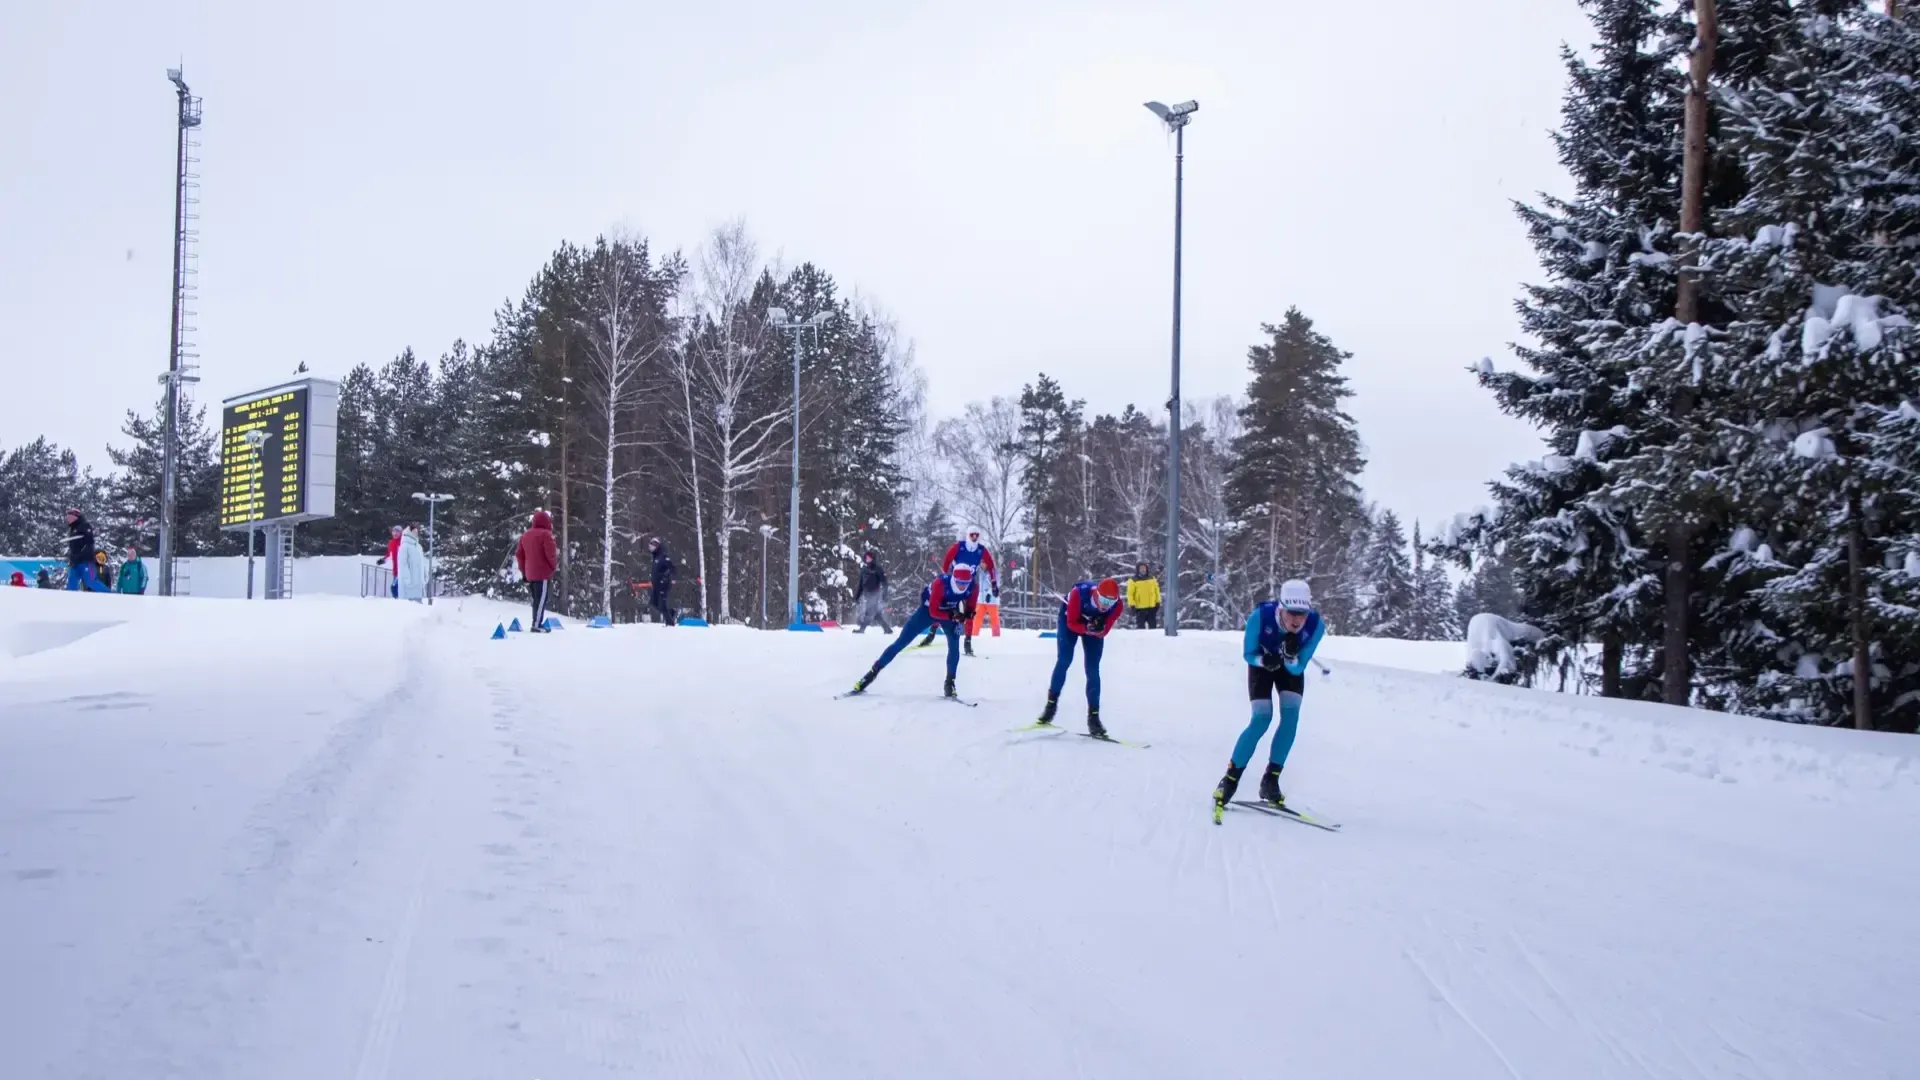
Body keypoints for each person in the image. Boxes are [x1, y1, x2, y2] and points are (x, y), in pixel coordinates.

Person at [1211, 579, 1327, 817]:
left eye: (1302, 614)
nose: (1297, 620)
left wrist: (1290, 657)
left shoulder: (1315, 626)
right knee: (1262, 718)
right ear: (1280, 608)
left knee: (1290, 719)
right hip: (1261, 665)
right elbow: (1248, 654)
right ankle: (1230, 781)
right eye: (1291, 613)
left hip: (1290, 669)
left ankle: (1270, 780)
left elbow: (1299, 667)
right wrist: (1264, 660)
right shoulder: (1260, 617)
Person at [850, 564, 977, 699]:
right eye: (959, 583)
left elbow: (970, 608)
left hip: (949, 613)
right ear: (953, 578)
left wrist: (967, 615)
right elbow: (933, 611)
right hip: (927, 611)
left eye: (966, 583)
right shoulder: (941, 583)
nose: (963, 586)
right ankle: (870, 674)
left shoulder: (973, 586)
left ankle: (950, 683)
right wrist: (953, 616)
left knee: (954, 646)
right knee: (901, 643)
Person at [1034, 577, 1126, 737]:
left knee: (1092, 669)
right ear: (1096, 594)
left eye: (1110, 603)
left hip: (1090, 626)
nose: (1105, 606)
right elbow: (1071, 623)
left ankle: (1094, 717)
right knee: (1064, 660)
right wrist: (1088, 628)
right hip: (1071, 619)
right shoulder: (1079, 594)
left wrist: (1099, 628)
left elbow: (1104, 631)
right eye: (1103, 600)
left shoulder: (1116, 607)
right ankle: (1051, 706)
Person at [919, 526, 999, 654]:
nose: (974, 538)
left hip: (969, 584)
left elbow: (991, 566)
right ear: (968, 535)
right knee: (942, 606)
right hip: (954, 583)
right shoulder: (959, 546)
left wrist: (994, 583)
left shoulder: (981, 550)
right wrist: (945, 577)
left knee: (970, 612)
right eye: (972, 535)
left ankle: (967, 642)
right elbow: (947, 559)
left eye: (977, 535)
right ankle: (932, 633)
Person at [515, 510, 558, 632]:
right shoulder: (546, 535)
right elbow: (551, 555)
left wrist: (523, 570)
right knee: (541, 600)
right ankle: (537, 625)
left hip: (530, 574)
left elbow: (519, 554)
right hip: (542, 573)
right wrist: (552, 567)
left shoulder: (525, 535)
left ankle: (536, 622)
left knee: (536, 600)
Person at [63, 510, 109, 592]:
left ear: (75, 517)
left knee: (91, 581)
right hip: (75, 562)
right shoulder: (72, 529)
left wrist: (81, 554)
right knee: (71, 584)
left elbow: (89, 543)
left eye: (69, 517)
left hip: (86, 561)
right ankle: (70, 601)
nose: (68, 519)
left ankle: (111, 595)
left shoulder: (85, 526)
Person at [853, 550, 889, 634]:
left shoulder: (877, 569)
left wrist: (885, 594)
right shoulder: (864, 570)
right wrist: (857, 596)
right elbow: (861, 584)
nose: (868, 559)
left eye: (869, 558)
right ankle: (887, 629)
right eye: (866, 558)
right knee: (876, 614)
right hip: (867, 594)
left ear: (873, 558)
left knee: (869, 612)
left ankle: (862, 629)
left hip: (875, 594)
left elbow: (884, 582)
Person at [648, 538, 677, 625]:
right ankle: (671, 613)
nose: (650, 547)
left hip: (663, 584)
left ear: (657, 546)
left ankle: (670, 623)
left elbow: (672, 569)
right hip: (656, 585)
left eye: (652, 546)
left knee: (662, 605)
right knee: (653, 603)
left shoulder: (663, 556)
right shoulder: (655, 557)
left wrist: (665, 576)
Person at [396, 524, 428, 602]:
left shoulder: (418, 547)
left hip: (418, 584)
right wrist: (407, 579)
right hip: (408, 585)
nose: (416, 533)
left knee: (419, 608)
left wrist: (425, 574)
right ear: (409, 532)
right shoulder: (404, 547)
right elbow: (403, 564)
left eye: (416, 531)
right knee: (409, 609)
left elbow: (422, 563)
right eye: (414, 531)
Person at [1127, 562, 1162, 630]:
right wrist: (1132, 604)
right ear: (1138, 569)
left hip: (1151, 607)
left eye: (1144, 568)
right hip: (1140, 608)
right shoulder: (1133, 580)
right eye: (1141, 568)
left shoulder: (1152, 578)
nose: (1143, 569)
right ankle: (1141, 640)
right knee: (1140, 629)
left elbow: (1156, 591)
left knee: (1153, 628)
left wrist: (1158, 601)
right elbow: (1130, 594)